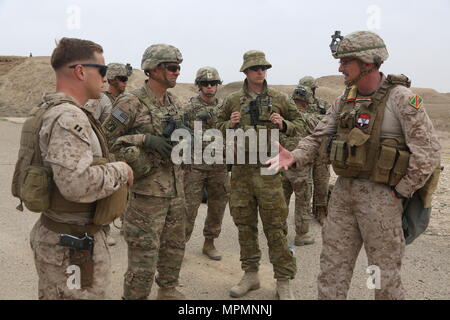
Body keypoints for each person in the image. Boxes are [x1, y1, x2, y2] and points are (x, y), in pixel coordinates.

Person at [267, 30, 441, 300]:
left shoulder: (402, 99)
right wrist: (295, 155)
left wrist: (401, 192)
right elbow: (317, 136)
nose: (340, 68)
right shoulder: (345, 99)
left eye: (346, 61)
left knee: (383, 278)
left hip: (383, 197)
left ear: (368, 63)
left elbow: (428, 152)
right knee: (331, 271)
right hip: (343, 194)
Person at [12, 37, 133, 299]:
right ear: (80, 71)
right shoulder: (69, 116)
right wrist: (121, 170)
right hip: (72, 245)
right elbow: (75, 184)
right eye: (101, 70)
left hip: (62, 236)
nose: (106, 78)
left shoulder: (49, 109)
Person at [217, 50, 304, 300]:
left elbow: (302, 122)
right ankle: (250, 274)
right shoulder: (233, 100)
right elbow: (215, 127)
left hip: (269, 172)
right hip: (242, 173)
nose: (260, 71)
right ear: (245, 71)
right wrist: (228, 125)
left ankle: (283, 279)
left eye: (263, 67)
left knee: (276, 226)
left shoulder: (279, 99)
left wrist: (285, 124)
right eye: (255, 68)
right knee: (245, 225)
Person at [102, 44, 187, 300]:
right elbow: (104, 143)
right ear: (153, 69)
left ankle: (167, 291)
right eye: (172, 67)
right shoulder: (130, 102)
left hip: (175, 191)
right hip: (145, 196)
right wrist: (144, 139)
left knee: (174, 249)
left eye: (178, 67)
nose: (177, 72)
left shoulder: (174, 102)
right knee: (143, 259)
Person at [183, 67, 230, 260]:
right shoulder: (188, 108)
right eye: (205, 84)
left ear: (218, 85)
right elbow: (180, 136)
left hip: (219, 166)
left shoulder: (225, 108)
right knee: (188, 208)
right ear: (199, 86)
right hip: (194, 166)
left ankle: (209, 243)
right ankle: (179, 246)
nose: (209, 87)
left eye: (213, 83)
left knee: (218, 205)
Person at [85, 62, 133, 246]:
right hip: (104, 153)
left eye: (126, 79)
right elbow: (94, 127)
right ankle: (103, 229)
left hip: (120, 151)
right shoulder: (100, 100)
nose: (125, 83)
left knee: (125, 191)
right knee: (105, 191)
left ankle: (125, 223)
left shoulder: (127, 100)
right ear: (112, 80)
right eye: (122, 79)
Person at [281, 85, 319, 246]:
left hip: (282, 166)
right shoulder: (311, 119)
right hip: (301, 169)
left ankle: (279, 232)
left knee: (281, 200)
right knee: (303, 201)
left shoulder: (283, 119)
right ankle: (302, 234)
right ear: (308, 101)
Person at [296, 76, 331, 225]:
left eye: (312, 89)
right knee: (304, 184)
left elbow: (329, 123)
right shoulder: (295, 105)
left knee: (322, 182)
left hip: (321, 151)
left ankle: (321, 211)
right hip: (303, 150)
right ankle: (303, 213)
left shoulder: (323, 104)